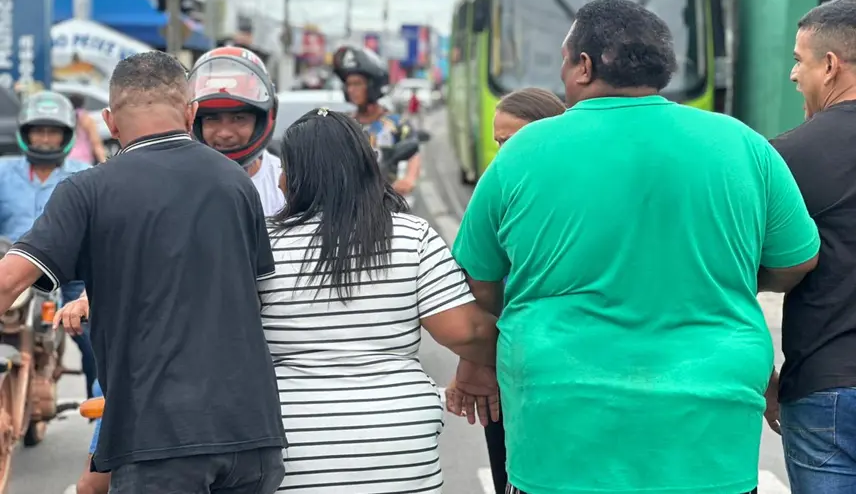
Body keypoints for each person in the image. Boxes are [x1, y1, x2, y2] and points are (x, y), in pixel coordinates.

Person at [447, 0, 820, 494]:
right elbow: (797, 260)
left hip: (559, 418)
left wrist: (478, 363)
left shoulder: (522, 152)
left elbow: (478, 280)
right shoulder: (742, 144)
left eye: (564, 59)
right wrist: (725, 279)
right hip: (710, 419)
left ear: (584, 65)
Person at [0, 51, 285, 493]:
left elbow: (7, 282)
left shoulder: (87, 191)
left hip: (158, 441)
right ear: (190, 113)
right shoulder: (236, 184)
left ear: (111, 122)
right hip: (253, 436)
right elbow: (259, 294)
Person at [260, 107, 498, 493]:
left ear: (296, 177)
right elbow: (467, 332)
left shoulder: (262, 245)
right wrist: (477, 369)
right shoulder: (411, 236)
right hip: (400, 448)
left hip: (295, 448)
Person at [764, 0, 856, 493]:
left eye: (800, 60)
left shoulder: (785, 158)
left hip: (828, 386)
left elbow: (731, 269)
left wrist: (763, 375)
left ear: (831, 65)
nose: (794, 75)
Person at [469, 87, 568, 494]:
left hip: (545, 366)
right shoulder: (502, 187)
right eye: (499, 143)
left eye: (513, 141)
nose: (503, 154)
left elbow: (480, 284)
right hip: (513, 362)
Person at [0, 90, 97, 396]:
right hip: (12, 271)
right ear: (25, 133)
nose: (44, 139)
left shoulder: (85, 176)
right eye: (38, 131)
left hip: (70, 276)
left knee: (96, 342)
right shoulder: (2, 171)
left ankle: (100, 413)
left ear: (66, 136)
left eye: (52, 132)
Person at [189, 46, 285, 216]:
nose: (225, 133)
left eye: (239, 118)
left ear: (261, 119)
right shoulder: (179, 183)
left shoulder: (284, 182)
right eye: (212, 119)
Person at [333, 44, 421, 196]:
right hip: (346, 201)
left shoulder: (395, 124)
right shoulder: (342, 124)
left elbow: (414, 154)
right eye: (348, 84)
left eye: (357, 83)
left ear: (373, 85)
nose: (351, 90)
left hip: (385, 201)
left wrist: (409, 178)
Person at [67, 94, 108, 164]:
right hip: (83, 159)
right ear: (83, 104)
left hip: (67, 158)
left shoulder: (66, 118)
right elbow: (96, 143)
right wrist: (104, 162)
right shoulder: (87, 119)